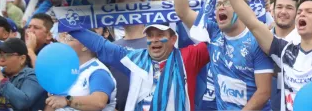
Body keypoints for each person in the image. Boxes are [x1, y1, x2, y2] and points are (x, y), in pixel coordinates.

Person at [173, 0, 274, 110]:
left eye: (226, 3)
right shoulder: (214, 33)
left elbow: (264, 92)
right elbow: (183, 12)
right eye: (218, 4)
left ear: (242, 10)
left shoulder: (257, 41)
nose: (220, 7)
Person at [68, 23, 209, 110]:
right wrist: (70, 27)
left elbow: (215, 40)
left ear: (173, 39)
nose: (154, 40)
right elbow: (102, 45)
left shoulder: (188, 57)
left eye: (160, 35)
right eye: (150, 36)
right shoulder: (135, 59)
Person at [45, 32, 117, 111]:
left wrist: (67, 100)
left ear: (85, 46)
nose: (63, 42)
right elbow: (53, 103)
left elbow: (99, 103)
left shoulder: (98, 72)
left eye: (69, 39)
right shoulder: (66, 71)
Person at [0, 38, 47, 110]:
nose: (1, 60)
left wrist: (1, 80)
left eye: (6, 55)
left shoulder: (33, 75)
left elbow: (23, 102)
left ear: (22, 59)